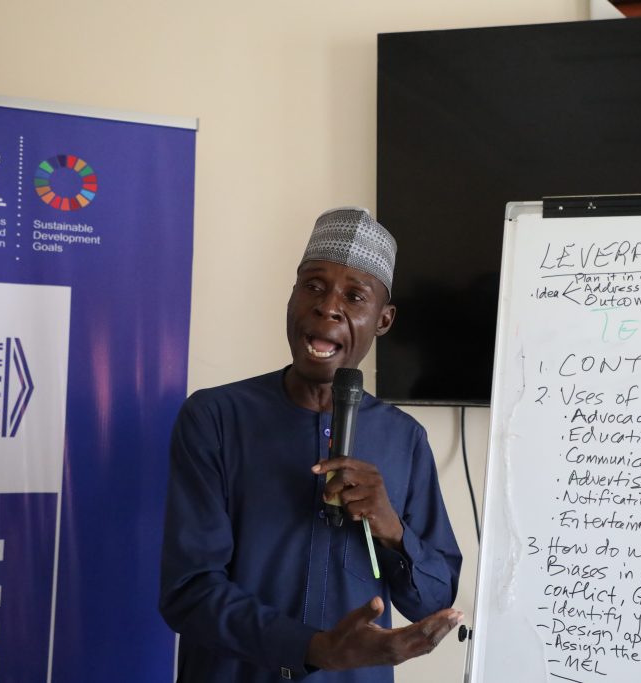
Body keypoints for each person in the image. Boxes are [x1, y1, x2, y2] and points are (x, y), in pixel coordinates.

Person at [160, 207, 463, 682]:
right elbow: (188, 591)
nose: (328, 307)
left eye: (354, 296)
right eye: (314, 287)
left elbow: (434, 599)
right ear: (292, 297)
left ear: (383, 320)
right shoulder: (215, 418)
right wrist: (315, 649)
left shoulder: (404, 439)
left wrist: (389, 526)